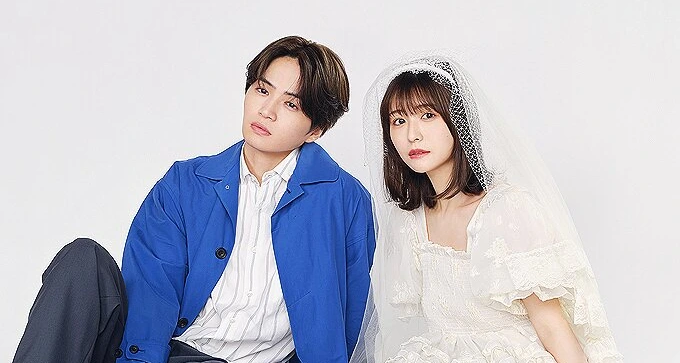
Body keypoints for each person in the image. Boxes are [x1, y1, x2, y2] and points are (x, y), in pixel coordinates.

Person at [13, 36, 375, 363]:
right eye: (262, 90)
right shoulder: (184, 184)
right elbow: (152, 288)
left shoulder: (346, 202)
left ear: (316, 130)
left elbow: (355, 320)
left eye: (291, 104)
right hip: (161, 351)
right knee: (82, 258)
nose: (267, 110)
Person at [350, 53, 622, 362]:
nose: (413, 134)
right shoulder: (409, 222)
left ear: (457, 120)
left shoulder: (506, 210)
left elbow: (550, 325)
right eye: (399, 121)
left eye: (427, 115)